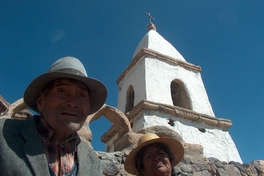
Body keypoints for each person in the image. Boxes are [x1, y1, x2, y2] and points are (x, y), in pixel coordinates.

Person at [0, 56, 107, 175]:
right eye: (61, 91)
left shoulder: (93, 163)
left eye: (82, 95)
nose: (72, 103)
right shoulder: (3, 135)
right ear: (41, 102)